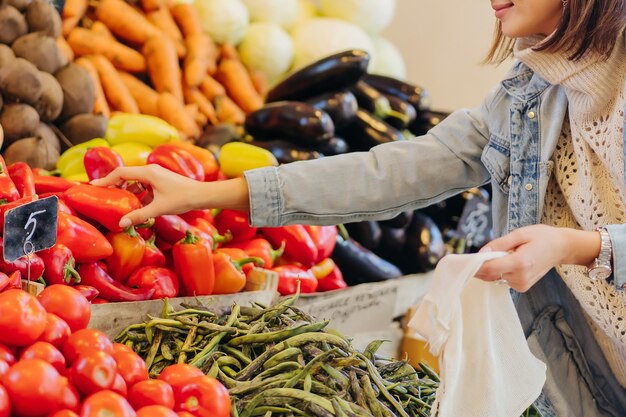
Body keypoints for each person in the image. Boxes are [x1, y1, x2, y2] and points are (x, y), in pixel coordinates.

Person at [94, 0, 626, 414]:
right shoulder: (527, 94)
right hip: (591, 370)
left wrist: (575, 247)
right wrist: (205, 193)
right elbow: (388, 173)